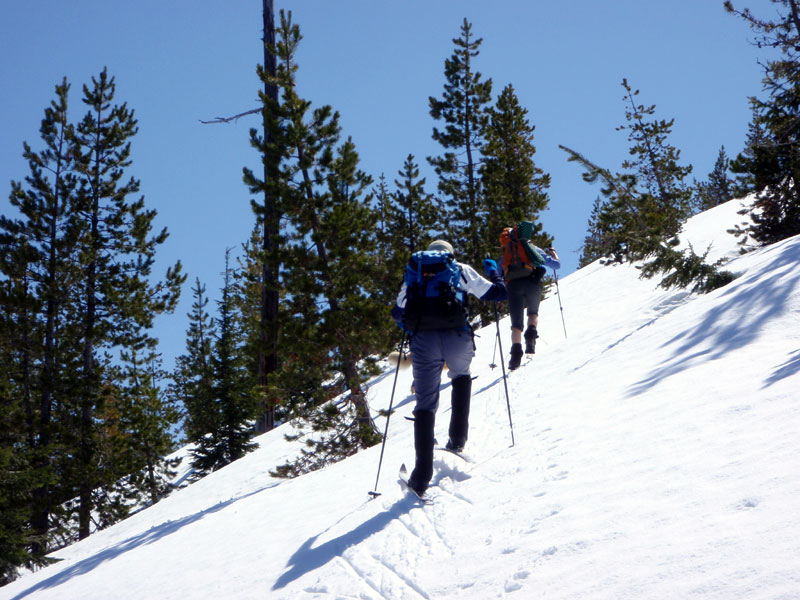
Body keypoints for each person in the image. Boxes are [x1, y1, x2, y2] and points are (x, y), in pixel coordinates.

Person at [391, 240, 507, 496]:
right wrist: (493, 271)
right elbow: (499, 293)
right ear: (450, 255)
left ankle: (421, 476)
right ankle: (457, 440)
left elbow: (398, 312)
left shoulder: (415, 274)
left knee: (425, 403)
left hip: (423, 341)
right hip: (457, 337)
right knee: (461, 376)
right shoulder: (460, 269)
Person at [500, 222, 561, 370]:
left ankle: (515, 355)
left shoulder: (506, 253)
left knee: (516, 324)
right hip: (532, 283)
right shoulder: (531, 248)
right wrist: (553, 254)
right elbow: (556, 265)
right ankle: (531, 337)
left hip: (513, 286)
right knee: (533, 313)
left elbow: (498, 273)